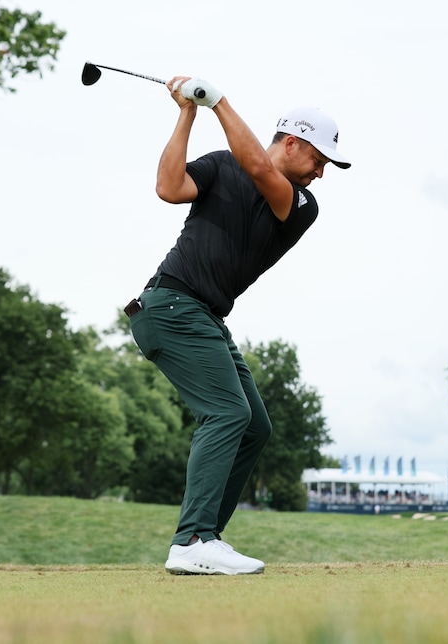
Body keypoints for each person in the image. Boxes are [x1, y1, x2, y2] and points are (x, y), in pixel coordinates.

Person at [126, 75, 350, 575]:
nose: (320, 173)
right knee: (228, 413)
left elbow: (255, 164)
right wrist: (188, 111)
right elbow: (169, 186)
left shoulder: (300, 204)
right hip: (170, 306)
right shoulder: (222, 164)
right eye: (318, 159)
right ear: (292, 142)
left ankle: (208, 536)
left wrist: (218, 102)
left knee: (254, 425)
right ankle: (191, 542)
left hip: (201, 315)